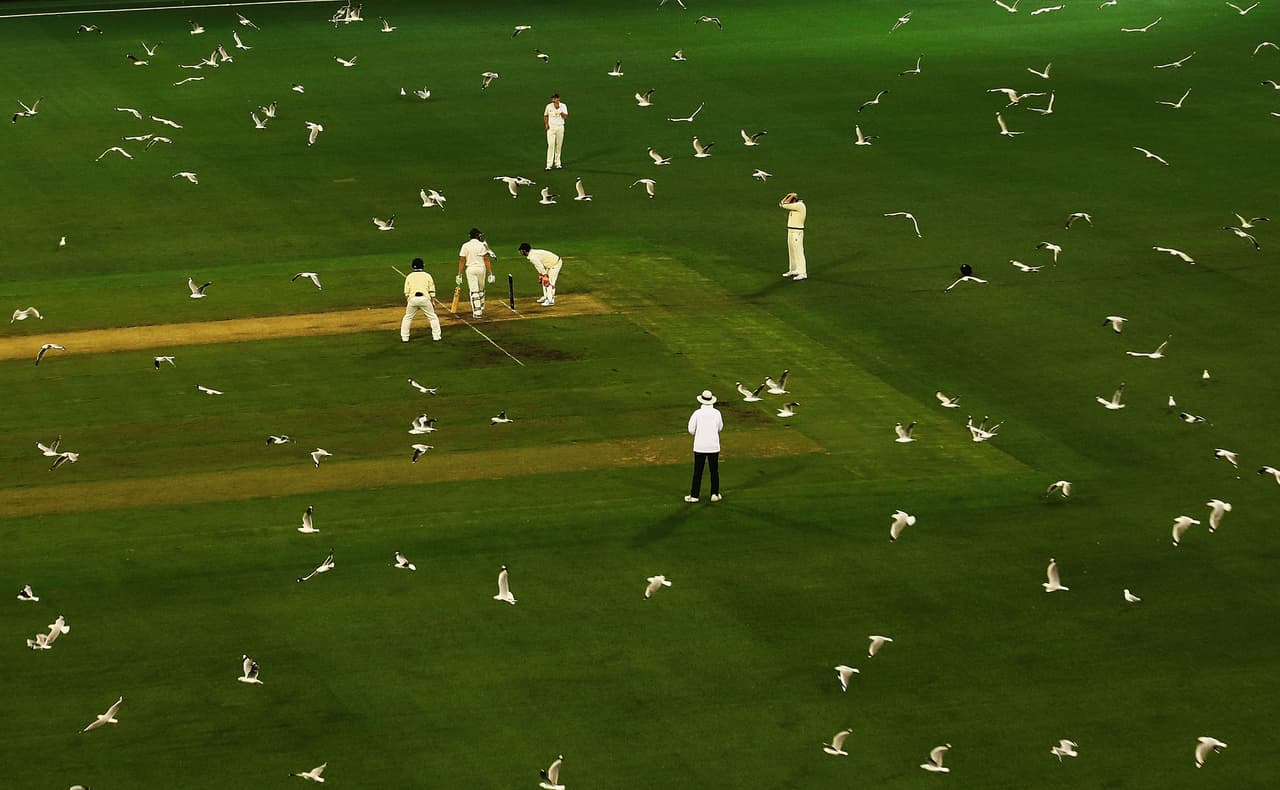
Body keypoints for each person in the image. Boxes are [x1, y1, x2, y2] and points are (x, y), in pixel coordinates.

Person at [686, 390, 723, 503]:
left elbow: (691, 430)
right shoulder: (717, 413)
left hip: (700, 446)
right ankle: (714, 494)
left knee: (698, 471)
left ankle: (694, 495)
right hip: (713, 445)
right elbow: (720, 428)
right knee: (714, 471)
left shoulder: (697, 413)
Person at [457, 228, 495, 318]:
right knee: (481, 289)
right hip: (481, 269)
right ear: (478, 236)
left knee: (474, 291)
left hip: (470, 269)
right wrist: (490, 273)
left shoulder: (465, 245)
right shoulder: (483, 245)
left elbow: (462, 260)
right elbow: (486, 260)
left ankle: (477, 312)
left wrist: (459, 274)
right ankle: (481, 307)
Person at [401, 258, 441, 342]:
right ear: (423, 266)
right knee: (432, 317)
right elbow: (432, 290)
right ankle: (436, 337)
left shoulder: (409, 276)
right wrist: (433, 301)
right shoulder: (427, 275)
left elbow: (406, 292)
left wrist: (409, 302)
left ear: (412, 266)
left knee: (407, 317)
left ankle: (405, 338)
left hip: (412, 299)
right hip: (425, 299)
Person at [780, 192, 807, 280]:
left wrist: (790, 195)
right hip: (791, 231)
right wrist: (789, 196)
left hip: (796, 232)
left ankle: (802, 272)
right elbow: (782, 203)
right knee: (792, 251)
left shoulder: (799, 205)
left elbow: (783, 204)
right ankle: (794, 269)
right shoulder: (795, 205)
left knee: (798, 252)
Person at [543, 93, 568, 170]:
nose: (553, 100)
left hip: (560, 127)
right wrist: (546, 124)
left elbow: (565, 116)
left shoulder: (563, 106)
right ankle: (549, 165)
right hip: (551, 128)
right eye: (553, 98)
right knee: (551, 145)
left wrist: (559, 110)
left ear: (558, 99)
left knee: (558, 146)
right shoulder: (549, 106)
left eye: (555, 98)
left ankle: (557, 163)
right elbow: (545, 115)